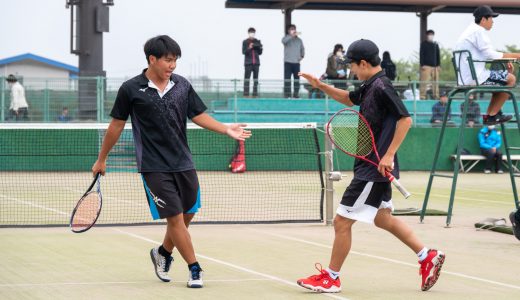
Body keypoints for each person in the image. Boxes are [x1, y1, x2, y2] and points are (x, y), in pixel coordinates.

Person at [90, 35, 251, 288]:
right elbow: (116, 125)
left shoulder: (182, 85)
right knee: (175, 218)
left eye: (175, 60)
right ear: (152, 59)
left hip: (183, 161)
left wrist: (225, 129)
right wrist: (102, 159)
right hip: (153, 165)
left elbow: (197, 115)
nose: (172, 65)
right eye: (168, 60)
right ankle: (194, 268)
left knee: (187, 215)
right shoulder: (131, 89)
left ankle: (162, 253)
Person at [297, 39, 444, 293]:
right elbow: (348, 99)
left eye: (352, 65)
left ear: (363, 63)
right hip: (373, 166)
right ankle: (426, 256)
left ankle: (331, 278)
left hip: (374, 168)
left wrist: (388, 156)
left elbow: (405, 120)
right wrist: (320, 85)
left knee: (342, 222)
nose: (351, 70)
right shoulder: (369, 85)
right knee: (383, 219)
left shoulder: (382, 86)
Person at [455, 5, 520, 125]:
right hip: (475, 77)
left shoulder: (470, 30)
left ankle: (492, 115)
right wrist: (516, 55)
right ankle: (492, 116)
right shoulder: (478, 31)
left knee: (501, 82)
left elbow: (488, 53)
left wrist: (505, 59)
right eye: (491, 18)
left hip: (467, 76)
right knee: (511, 79)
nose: (493, 21)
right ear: (483, 19)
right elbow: (491, 54)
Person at [282, 24, 305, 98]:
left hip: (296, 63)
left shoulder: (299, 40)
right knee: (287, 79)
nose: (293, 30)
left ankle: (296, 95)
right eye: (291, 29)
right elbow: (283, 41)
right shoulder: (286, 38)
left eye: (294, 29)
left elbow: (302, 49)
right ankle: (287, 95)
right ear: (288, 31)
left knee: (296, 80)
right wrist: (291, 36)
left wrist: (302, 56)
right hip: (288, 62)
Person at [419, 30, 441, 100]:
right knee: (424, 82)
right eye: (429, 34)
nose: (431, 36)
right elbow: (421, 54)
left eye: (432, 34)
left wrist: (438, 65)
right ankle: (422, 96)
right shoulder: (423, 44)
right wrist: (422, 64)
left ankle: (436, 96)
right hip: (426, 66)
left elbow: (438, 55)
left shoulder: (435, 44)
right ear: (427, 35)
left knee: (435, 82)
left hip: (435, 67)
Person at [242, 27, 263, 97]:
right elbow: (244, 52)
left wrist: (260, 47)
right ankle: (246, 94)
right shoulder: (245, 42)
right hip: (248, 63)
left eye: (253, 32)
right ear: (248, 33)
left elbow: (260, 53)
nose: (252, 34)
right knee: (247, 79)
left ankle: (255, 94)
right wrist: (249, 47)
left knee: (255, 80)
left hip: (256, 63)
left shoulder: (257, 41)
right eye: (251, 32)